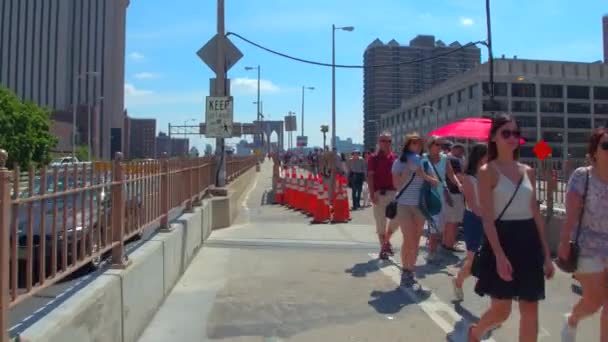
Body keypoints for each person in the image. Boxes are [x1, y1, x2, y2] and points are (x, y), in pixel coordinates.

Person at [469, 114, 554, 342]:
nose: (512, 138)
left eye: (516, 133)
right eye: (506, 133)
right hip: (502, 239)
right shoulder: (487, 171)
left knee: (530, 310)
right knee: (502, 310)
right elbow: (487, 218)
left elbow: (535, 213)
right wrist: (498, 255)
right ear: (494, 137)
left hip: (529, 241)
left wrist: (546, 255)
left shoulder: (529, 171)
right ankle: (476, 332)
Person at [560, 127, 608, 342]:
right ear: (595, 151)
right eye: (606, 145)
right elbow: (570, 216)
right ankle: (572, 319)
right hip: (588, 247)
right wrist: (563, 242)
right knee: (594, 301)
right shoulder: (582, 176)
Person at [392, 133, 439, 288]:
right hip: (404, 205)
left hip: (420, 206)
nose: (417, 147)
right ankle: (406, 270)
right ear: (407, 145)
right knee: (409, 238)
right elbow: (396, 185)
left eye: (419, 144)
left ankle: (410, 270)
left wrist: (422, 175)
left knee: (416, 240)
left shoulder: (424, 162)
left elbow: (435, 182)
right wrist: (407, 171)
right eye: (413, 143)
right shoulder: (399, 162)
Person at [452, 143, 488, 301]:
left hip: (488, 218)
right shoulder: (468, 178)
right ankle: (458, 281)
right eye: (488, 155)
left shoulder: (488, 174)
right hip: (474, 219)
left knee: (488, 257)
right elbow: (473, 205)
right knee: (473, 258)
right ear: (480, 157)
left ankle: (483, 282)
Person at [422, 136, 462, 263]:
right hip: (428, 194)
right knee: (434, 226)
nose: (440, 147)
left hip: (442, 194)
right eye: (437, 144)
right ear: (430, 145)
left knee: (440, 225)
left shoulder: (445, 158)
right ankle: (432, 252)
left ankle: (433, 249)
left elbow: (451, 175)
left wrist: (458, 184)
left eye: (441, 144)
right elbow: (418, 175)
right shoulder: (423, 158)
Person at [368, 132, 399, 260]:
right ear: (378, 142)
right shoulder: (373, 158)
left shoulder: (395, 158)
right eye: (383, 141)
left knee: (396, 220)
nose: (385, 143)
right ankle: (384, 247)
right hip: (379, 194)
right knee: (381, 223)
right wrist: (371, 194)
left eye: (388, 141)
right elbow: (370, 177)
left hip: (394, 193)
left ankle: (386, 241)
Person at [443, 143, 467, 251]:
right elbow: (458, 176)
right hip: (455, 192)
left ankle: (445, 242)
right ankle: (450, 244)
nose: (462, 154)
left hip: (445, 192)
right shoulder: (454, 160)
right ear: (456, 150)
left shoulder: (443, 158)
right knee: (454, 221)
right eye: (461, 151)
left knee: (448, 220)